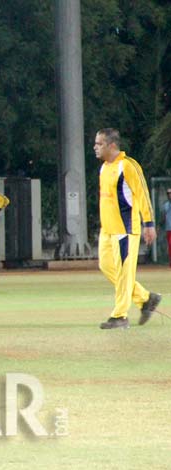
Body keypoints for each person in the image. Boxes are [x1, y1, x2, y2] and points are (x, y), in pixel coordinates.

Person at [92, 128, 161, 329]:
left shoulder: (128, 166)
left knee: (123, 273)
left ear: (112, 145)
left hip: (126, 230)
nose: (95, 147)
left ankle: (120, 316)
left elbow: (143, 195)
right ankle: (146, 298)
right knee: (106, 266)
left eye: (99, 144)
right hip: (107, 230)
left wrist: (149, 224)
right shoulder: (104, 168)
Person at [162, 188, 171, 268]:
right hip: (168, 229)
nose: (169, 195)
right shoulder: (165, 205)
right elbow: (164, 217)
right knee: (170, 245)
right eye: (168, 193)